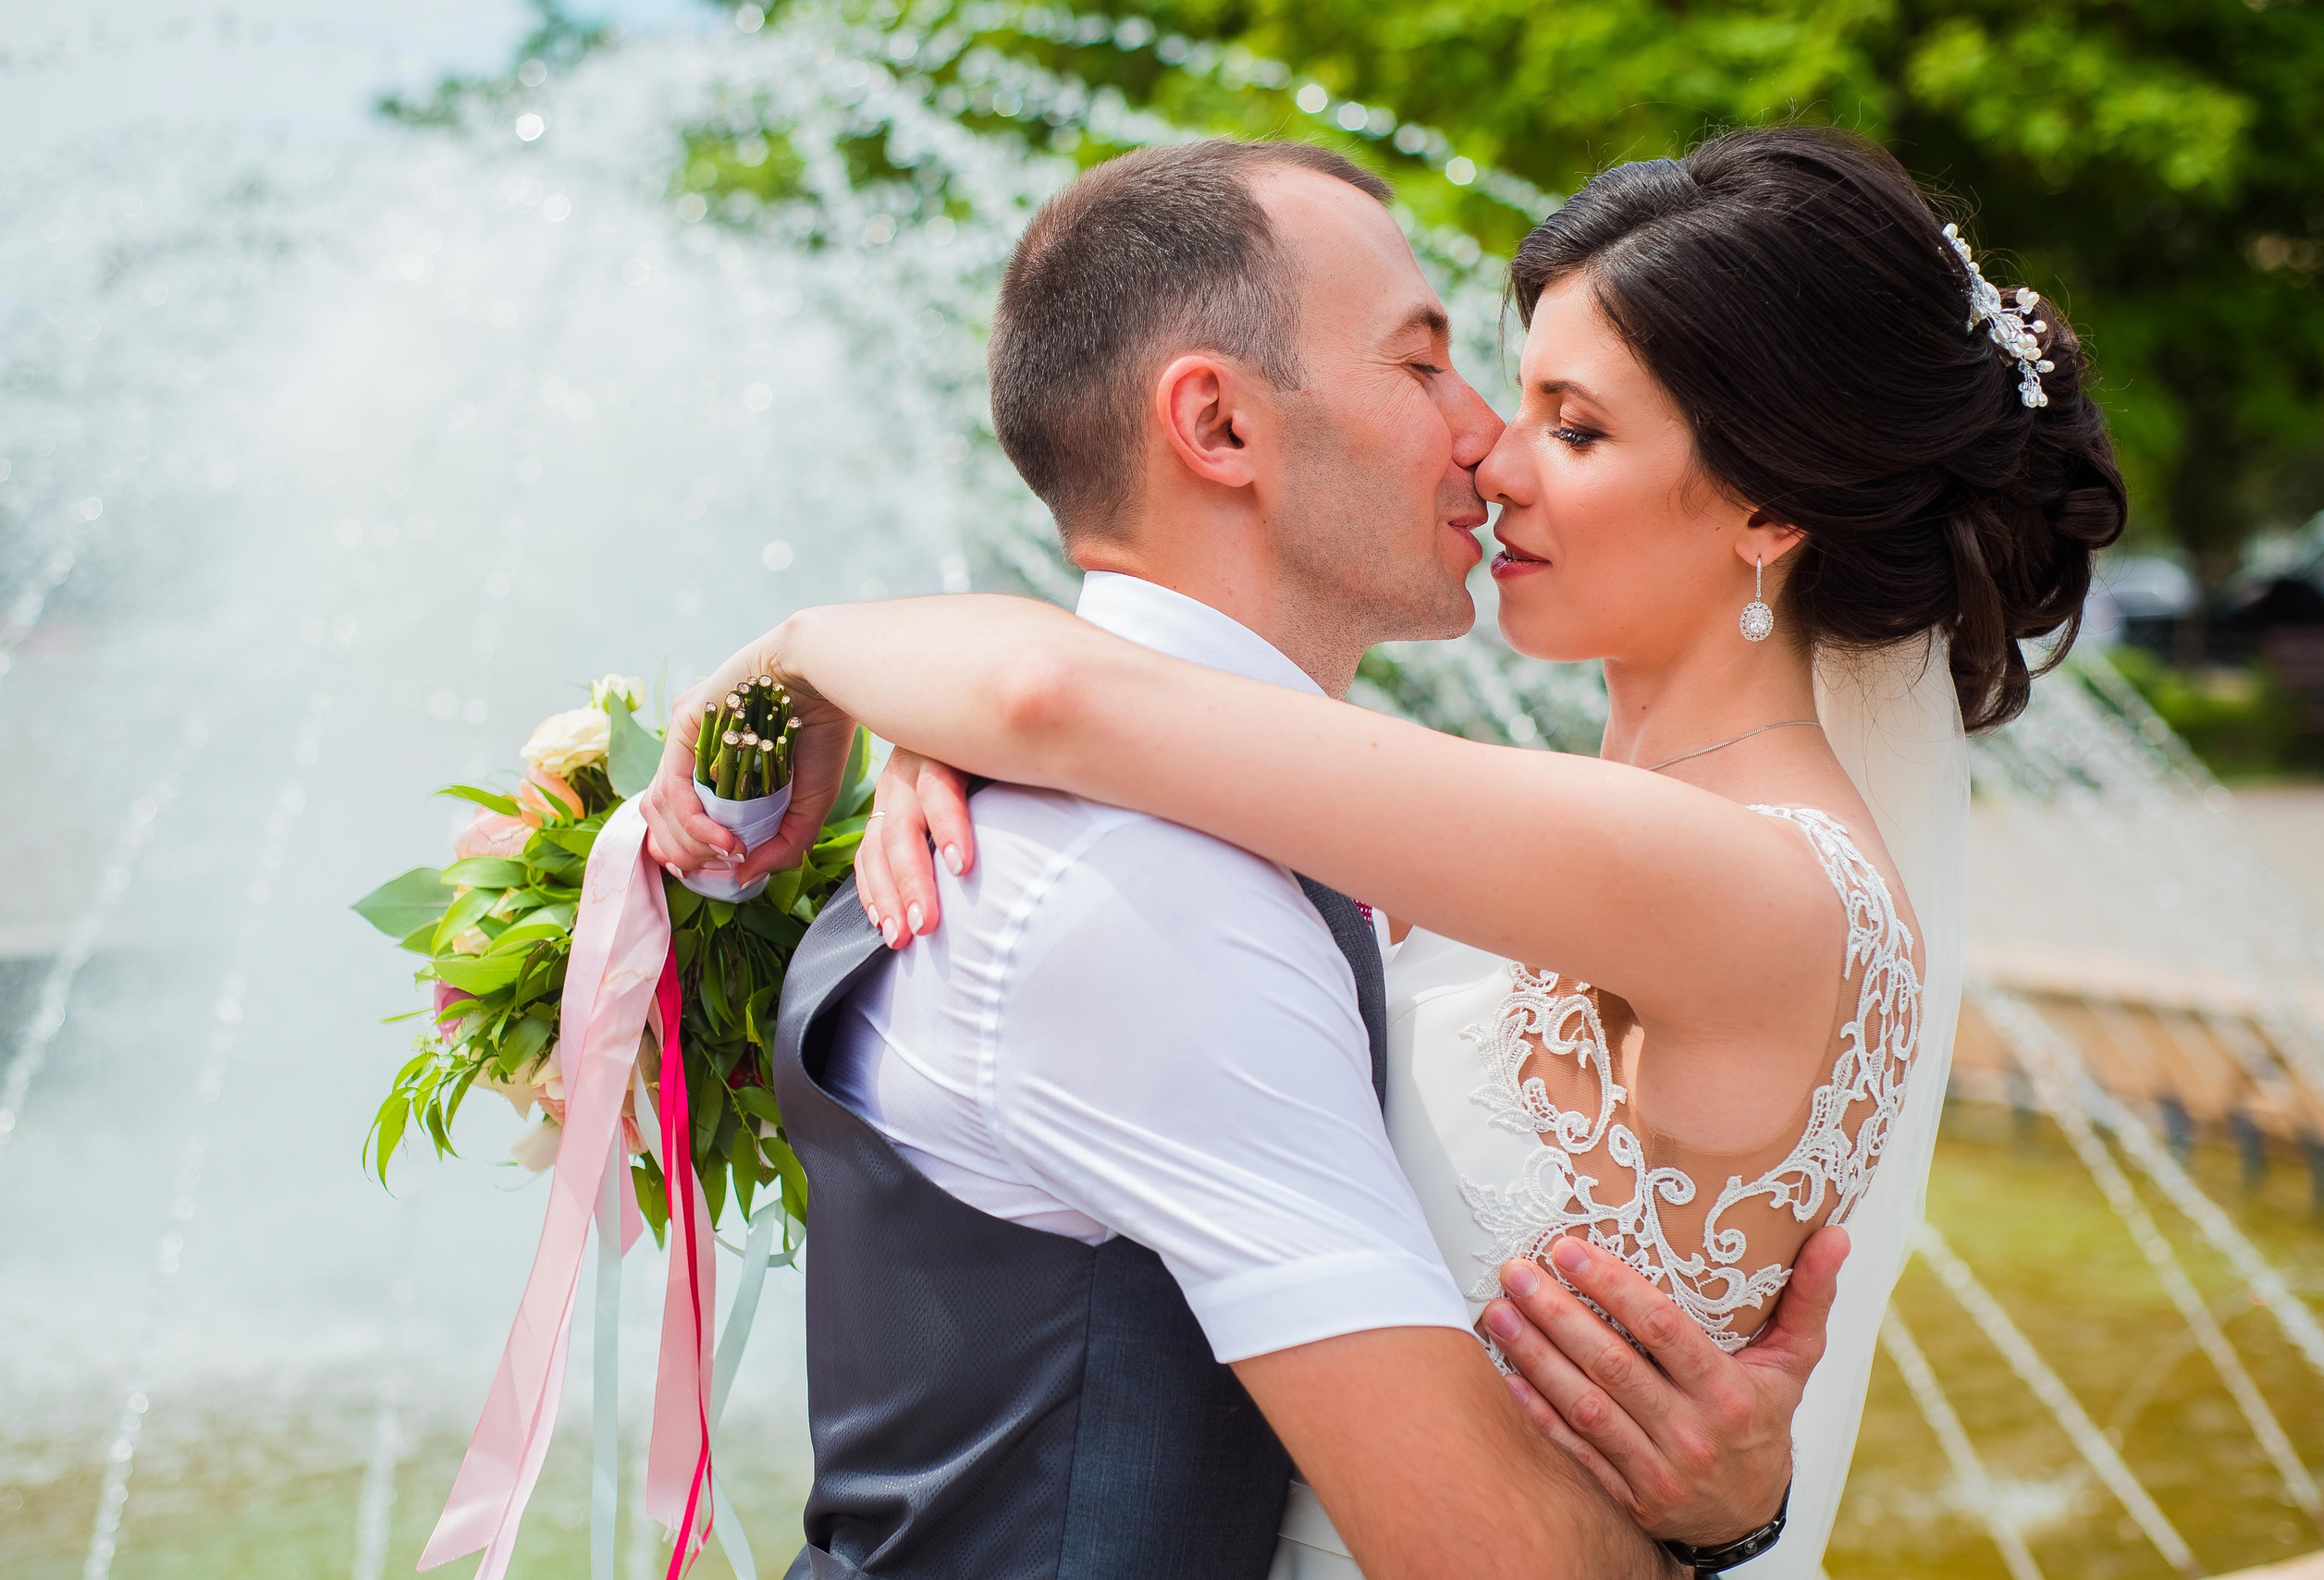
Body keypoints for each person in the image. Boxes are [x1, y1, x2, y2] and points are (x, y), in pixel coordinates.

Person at [648, 127, 2119, 1576]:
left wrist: (807, 652)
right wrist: (948, 735)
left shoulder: (1730, 875)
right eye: (1474, 380)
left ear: (1767, 507)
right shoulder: (1562, 835)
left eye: (1577, 426)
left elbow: (1066, 698)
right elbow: (1121, 729)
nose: (1493, 451)